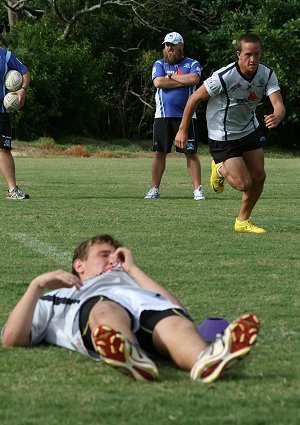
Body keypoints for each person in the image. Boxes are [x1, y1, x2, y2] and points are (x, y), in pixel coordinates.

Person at [1, 233, 260, 384]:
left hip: (142, 305)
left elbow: (178, 309)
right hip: (98, 309)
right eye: (104, 254)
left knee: (174, 322)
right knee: (106, 309)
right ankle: (129, 353)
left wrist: (133, 269)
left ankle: (206, 359)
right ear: (79, 266)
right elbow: (11, 339)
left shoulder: (135, 284)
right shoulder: (64, 293)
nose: (113, 258)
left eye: (116, 254)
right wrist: (36, 286)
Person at [175, 33, 286, 232]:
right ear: (238, 54)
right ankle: (219, 169)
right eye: (248, 54)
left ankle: (242, 221)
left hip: (248, 128)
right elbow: (194, 99)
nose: (253, 59)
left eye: (257, 54)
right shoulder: (224, 76)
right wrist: (182, 130)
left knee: (259, 177)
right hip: (222, 134)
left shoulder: (266, 73)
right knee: (245, 184)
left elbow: (278, 104)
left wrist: (277, 115)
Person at [145, 32, 205, 201]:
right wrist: (181, 80)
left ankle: (198, 190)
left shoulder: (192, 63)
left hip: (187, 116)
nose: (169, 48)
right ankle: (154, 189)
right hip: (163, 116)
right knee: (159, 153)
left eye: (172, 44)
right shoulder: (159, 63)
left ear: (181, 45)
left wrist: (170, 76)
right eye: (166, 45)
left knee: (191, 153)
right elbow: (158, 82)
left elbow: (194, 79)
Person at [0, 47, 30, 199]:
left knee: (4, 149)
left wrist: (22, 89)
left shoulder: (4, 55)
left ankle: (12, 190)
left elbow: (24, 72)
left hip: (1, 112)